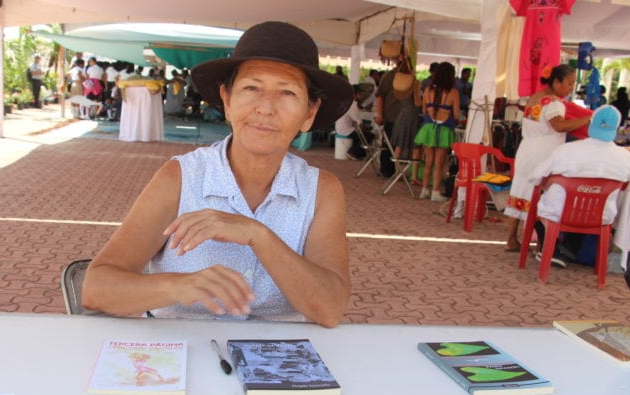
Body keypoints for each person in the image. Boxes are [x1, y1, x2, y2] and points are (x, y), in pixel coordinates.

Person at [82, 21, 354, 328]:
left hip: (280, 361)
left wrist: (258, 235)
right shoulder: (181, 178)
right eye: (251, 88)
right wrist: (177, 286)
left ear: (309, 113)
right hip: (183, 355)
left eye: (287, 92)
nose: (265, 107)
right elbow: (96, 288)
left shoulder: (321, 190)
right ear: (226, 100)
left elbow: (330, 308)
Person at [527, 105, 630, 267]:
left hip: (560, 213)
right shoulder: (625, 158)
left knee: (541, 202)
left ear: (590, 124)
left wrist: (549, 183)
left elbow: (535, 177)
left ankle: (554, 247)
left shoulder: (565, 150)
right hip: (600, 216)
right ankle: (565, 250)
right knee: (592, 207)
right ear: (616, 129)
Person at [502, 64, 591, 252]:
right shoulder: (553, 103)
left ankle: (511, 240)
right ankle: (542, 243)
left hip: (527, 150)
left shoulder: (535, 98)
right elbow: (559, 126)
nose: (570, 88)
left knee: (520, 192)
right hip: (543, 154)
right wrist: (588, 119)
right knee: (541, 198)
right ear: (556, 82)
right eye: (569, 83)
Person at [414, 61, 460, 201]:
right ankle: (435, 192)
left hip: (428, 128)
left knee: (428, 161)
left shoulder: (428, 90)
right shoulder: (453, 93)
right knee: (440, 163)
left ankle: (424, 190)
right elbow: (457, 115)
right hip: (444, 129)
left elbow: (423, 110)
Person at [334, 85, 371, 160]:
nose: (362, 96)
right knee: (369, 135)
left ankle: (359, 154)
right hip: (346, 130)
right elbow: (359, 122)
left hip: (339, 128)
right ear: (356, 94)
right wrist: (365, 129)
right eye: (360, 94)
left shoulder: (346, 102)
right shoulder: (353, 104)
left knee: (360, 135)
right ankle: (352, 152)